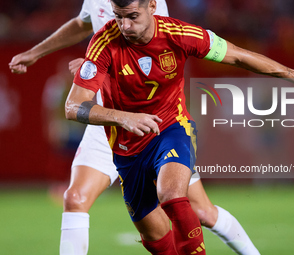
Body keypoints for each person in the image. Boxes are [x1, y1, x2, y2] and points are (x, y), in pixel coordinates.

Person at [64, 0, 294, 254]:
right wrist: (124, 117)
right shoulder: (104, 43)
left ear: (153, 6)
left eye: (133, 16)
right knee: (156, 238)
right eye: (119, 17)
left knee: (172, 196)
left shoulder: (180, 34)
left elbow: (238, 57)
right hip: (126, 147)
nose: (126, 26)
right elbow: (73, 106)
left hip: (170, 128)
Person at [9, 0, 261, 254]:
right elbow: (81, 23)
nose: (125, 21)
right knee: (74, 199)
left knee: (201, 212)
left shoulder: (145, 5)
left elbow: (153, 50)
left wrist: (100, 65)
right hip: (107, 118)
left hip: (152, 123)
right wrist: (37, 53)